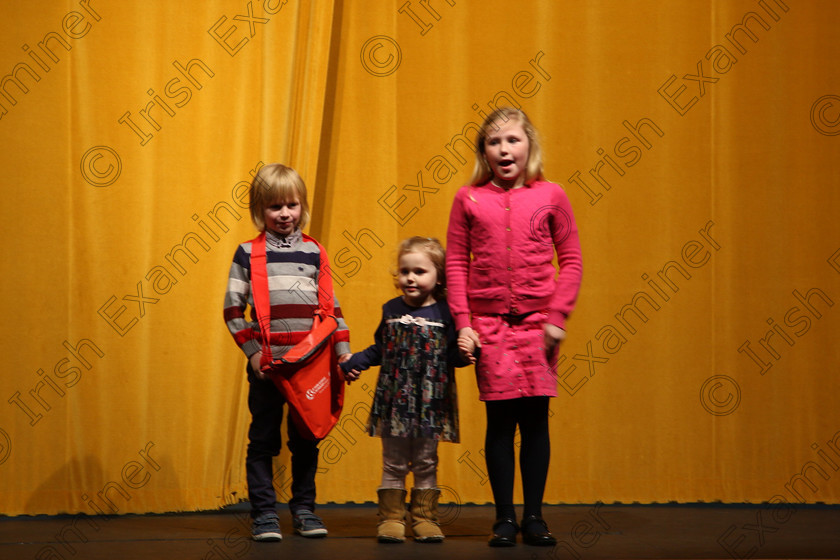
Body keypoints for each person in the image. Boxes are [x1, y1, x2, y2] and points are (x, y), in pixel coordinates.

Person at [446, 107, 583, 547]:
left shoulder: (552, 195)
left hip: (537, 326)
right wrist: (464, 325)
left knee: (536, 422)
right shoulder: (468, 199)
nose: (504, 150)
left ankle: (536, 517)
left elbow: (572, 260)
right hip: (489, 328)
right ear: (483, 152)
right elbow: (454, 264)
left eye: (512, 140)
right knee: (500, 423)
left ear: (529, 145)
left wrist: (558, 316)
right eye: (494, 142)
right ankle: (505, 517)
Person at [223, 163, 351, 542]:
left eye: (292, 205)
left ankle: (305, 510)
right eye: (274, 207)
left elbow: (332, 310)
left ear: (303, 206)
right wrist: (252, 354)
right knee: (263, 438)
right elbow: (232, 309)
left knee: (306, 439)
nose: (284, 214)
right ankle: (264, 514)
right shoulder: (248, 253)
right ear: (259, 210)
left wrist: (342, 353)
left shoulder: (314, 252)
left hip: (310, 367)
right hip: (268, 367)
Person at [341, 236, 473, 544]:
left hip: (431, 402)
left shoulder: (446, 314)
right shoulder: (391, 309)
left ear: (439, 276)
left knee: (426, 461)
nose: (410, 278)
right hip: (395, 401)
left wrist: (465, 355)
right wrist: (354, 362)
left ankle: (425, 517)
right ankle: (391, 518)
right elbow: (380, 349)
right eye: (404, 271)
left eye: (419, 271)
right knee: (394, 462)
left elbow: (451, 355)